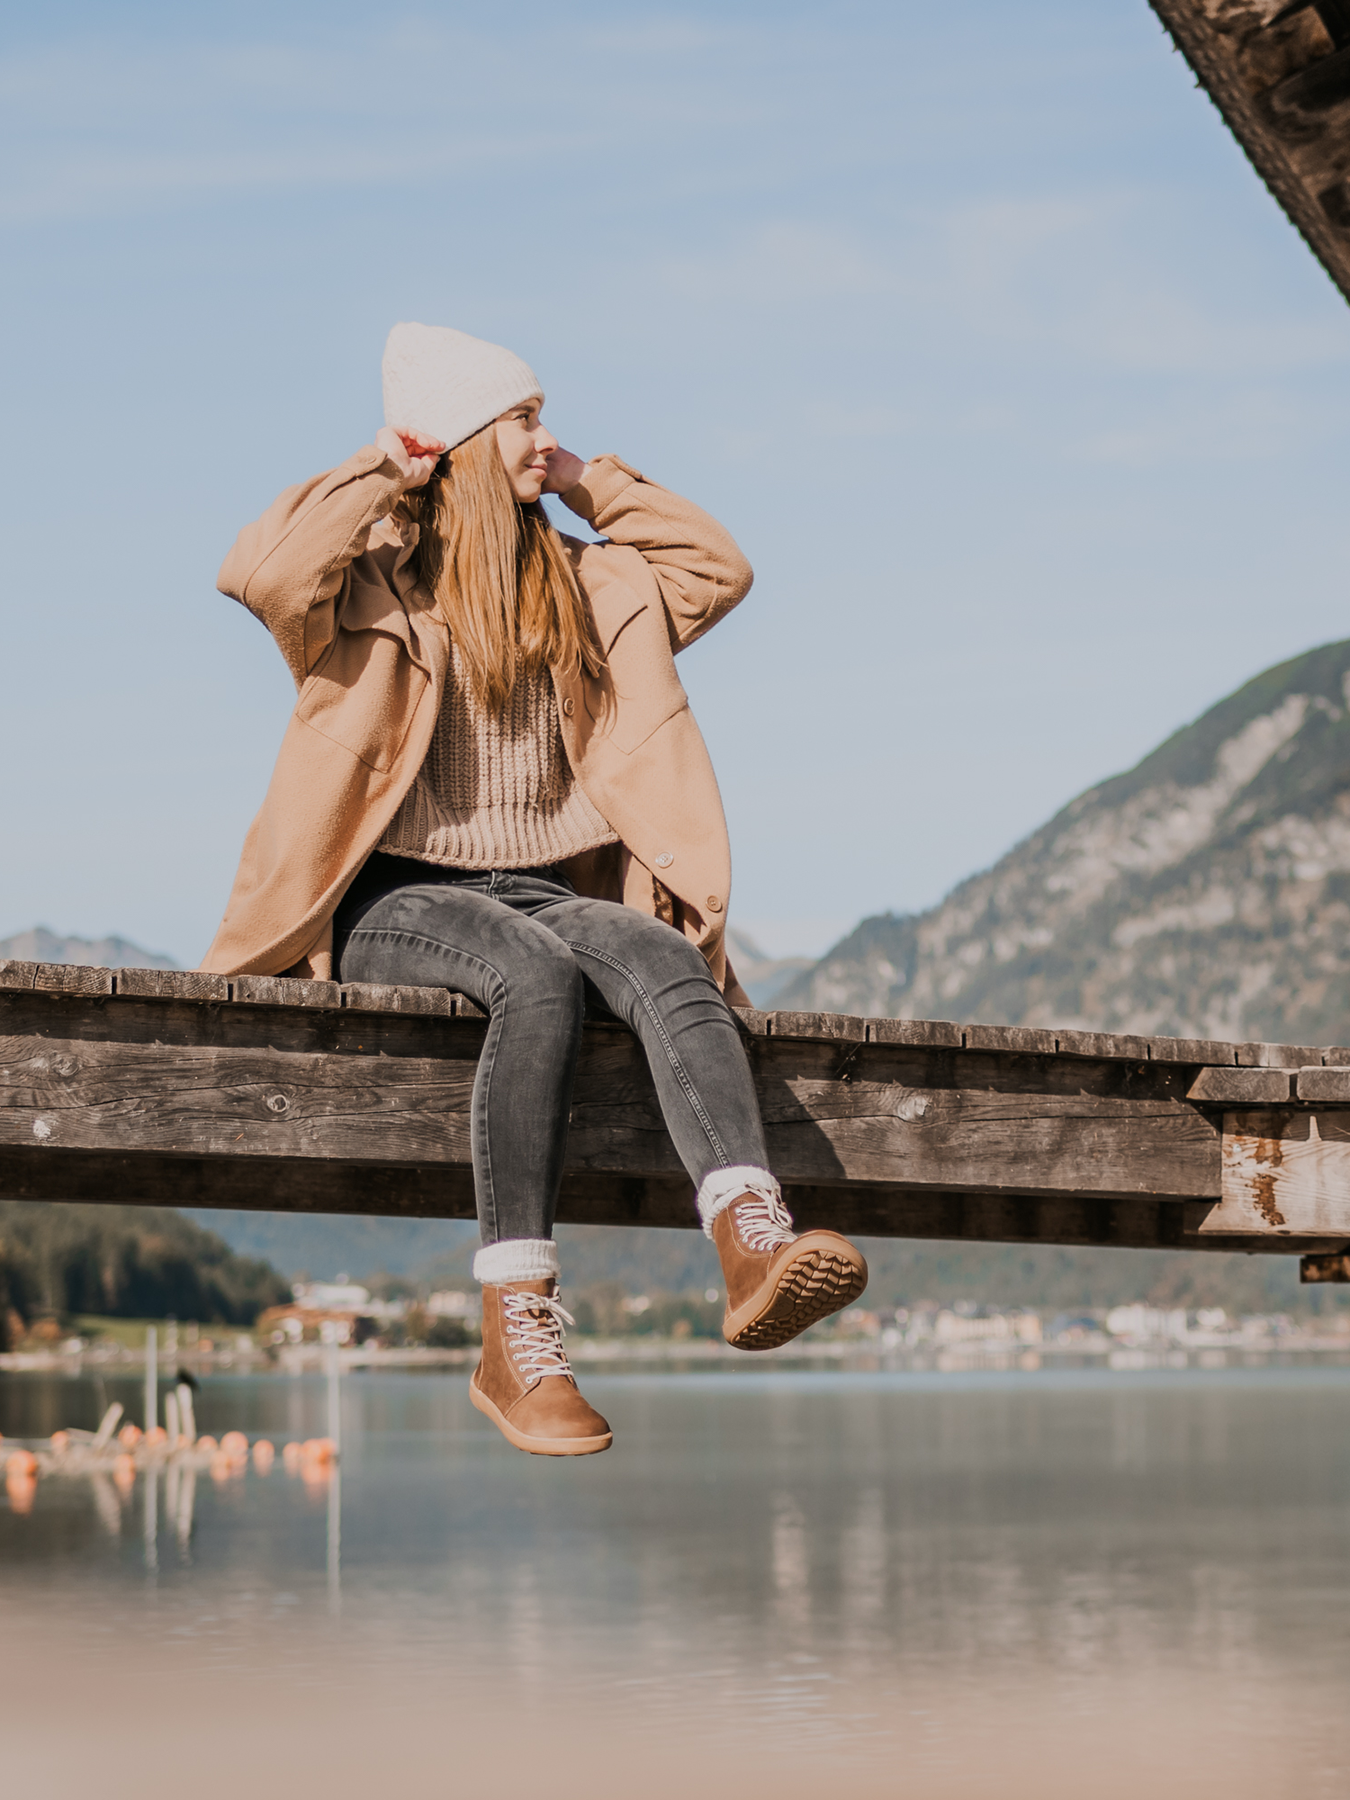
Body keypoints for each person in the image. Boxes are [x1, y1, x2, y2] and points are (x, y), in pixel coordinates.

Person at [204, 322, 868, 1457]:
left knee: (663, 953)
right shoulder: (372, 583)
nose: (545, 434)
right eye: (522, 417)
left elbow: (719, 570)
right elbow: (262, 573)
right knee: (534, 973)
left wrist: (585, 479)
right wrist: (389, 466)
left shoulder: (585, 583)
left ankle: (751, 1240)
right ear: (460, 437)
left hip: (543, 888)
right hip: (388, 894)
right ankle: (517, 1329)